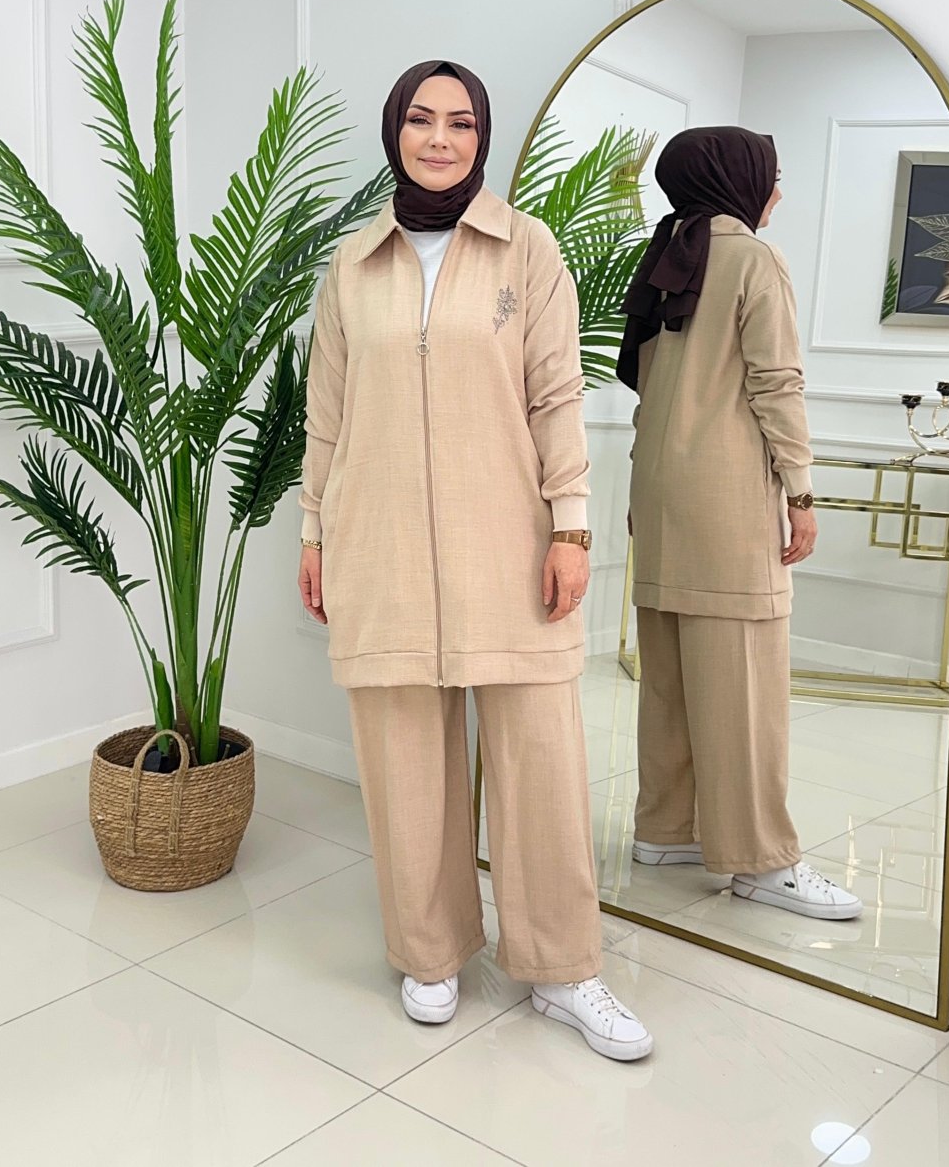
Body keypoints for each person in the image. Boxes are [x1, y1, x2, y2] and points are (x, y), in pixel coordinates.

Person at [298, 60, 653, 1060]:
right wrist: (313, 532)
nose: (439, 138)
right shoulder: (351, 265)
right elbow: (326, 415)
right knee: (403, 757)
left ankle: (563, 966)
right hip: (378, 541)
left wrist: (571, 527)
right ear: (395, 133)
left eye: (459, 122)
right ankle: (430, 948)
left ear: (481, 137)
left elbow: (555, 395)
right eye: (420, 119)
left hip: (509, 540)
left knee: (541, 756)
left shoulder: (525, 247)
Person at [617, 126, 862, 921]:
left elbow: (647, 385)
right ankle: (760, 861)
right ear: (736, 178)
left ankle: (667, 831)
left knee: (670, 677)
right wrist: (801, 492)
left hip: (659, 489)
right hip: (725, 498)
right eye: (772, 175)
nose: (778, 192)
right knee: (744, 685)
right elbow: (775, 382)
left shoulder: (666, 254)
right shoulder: (752, 259)